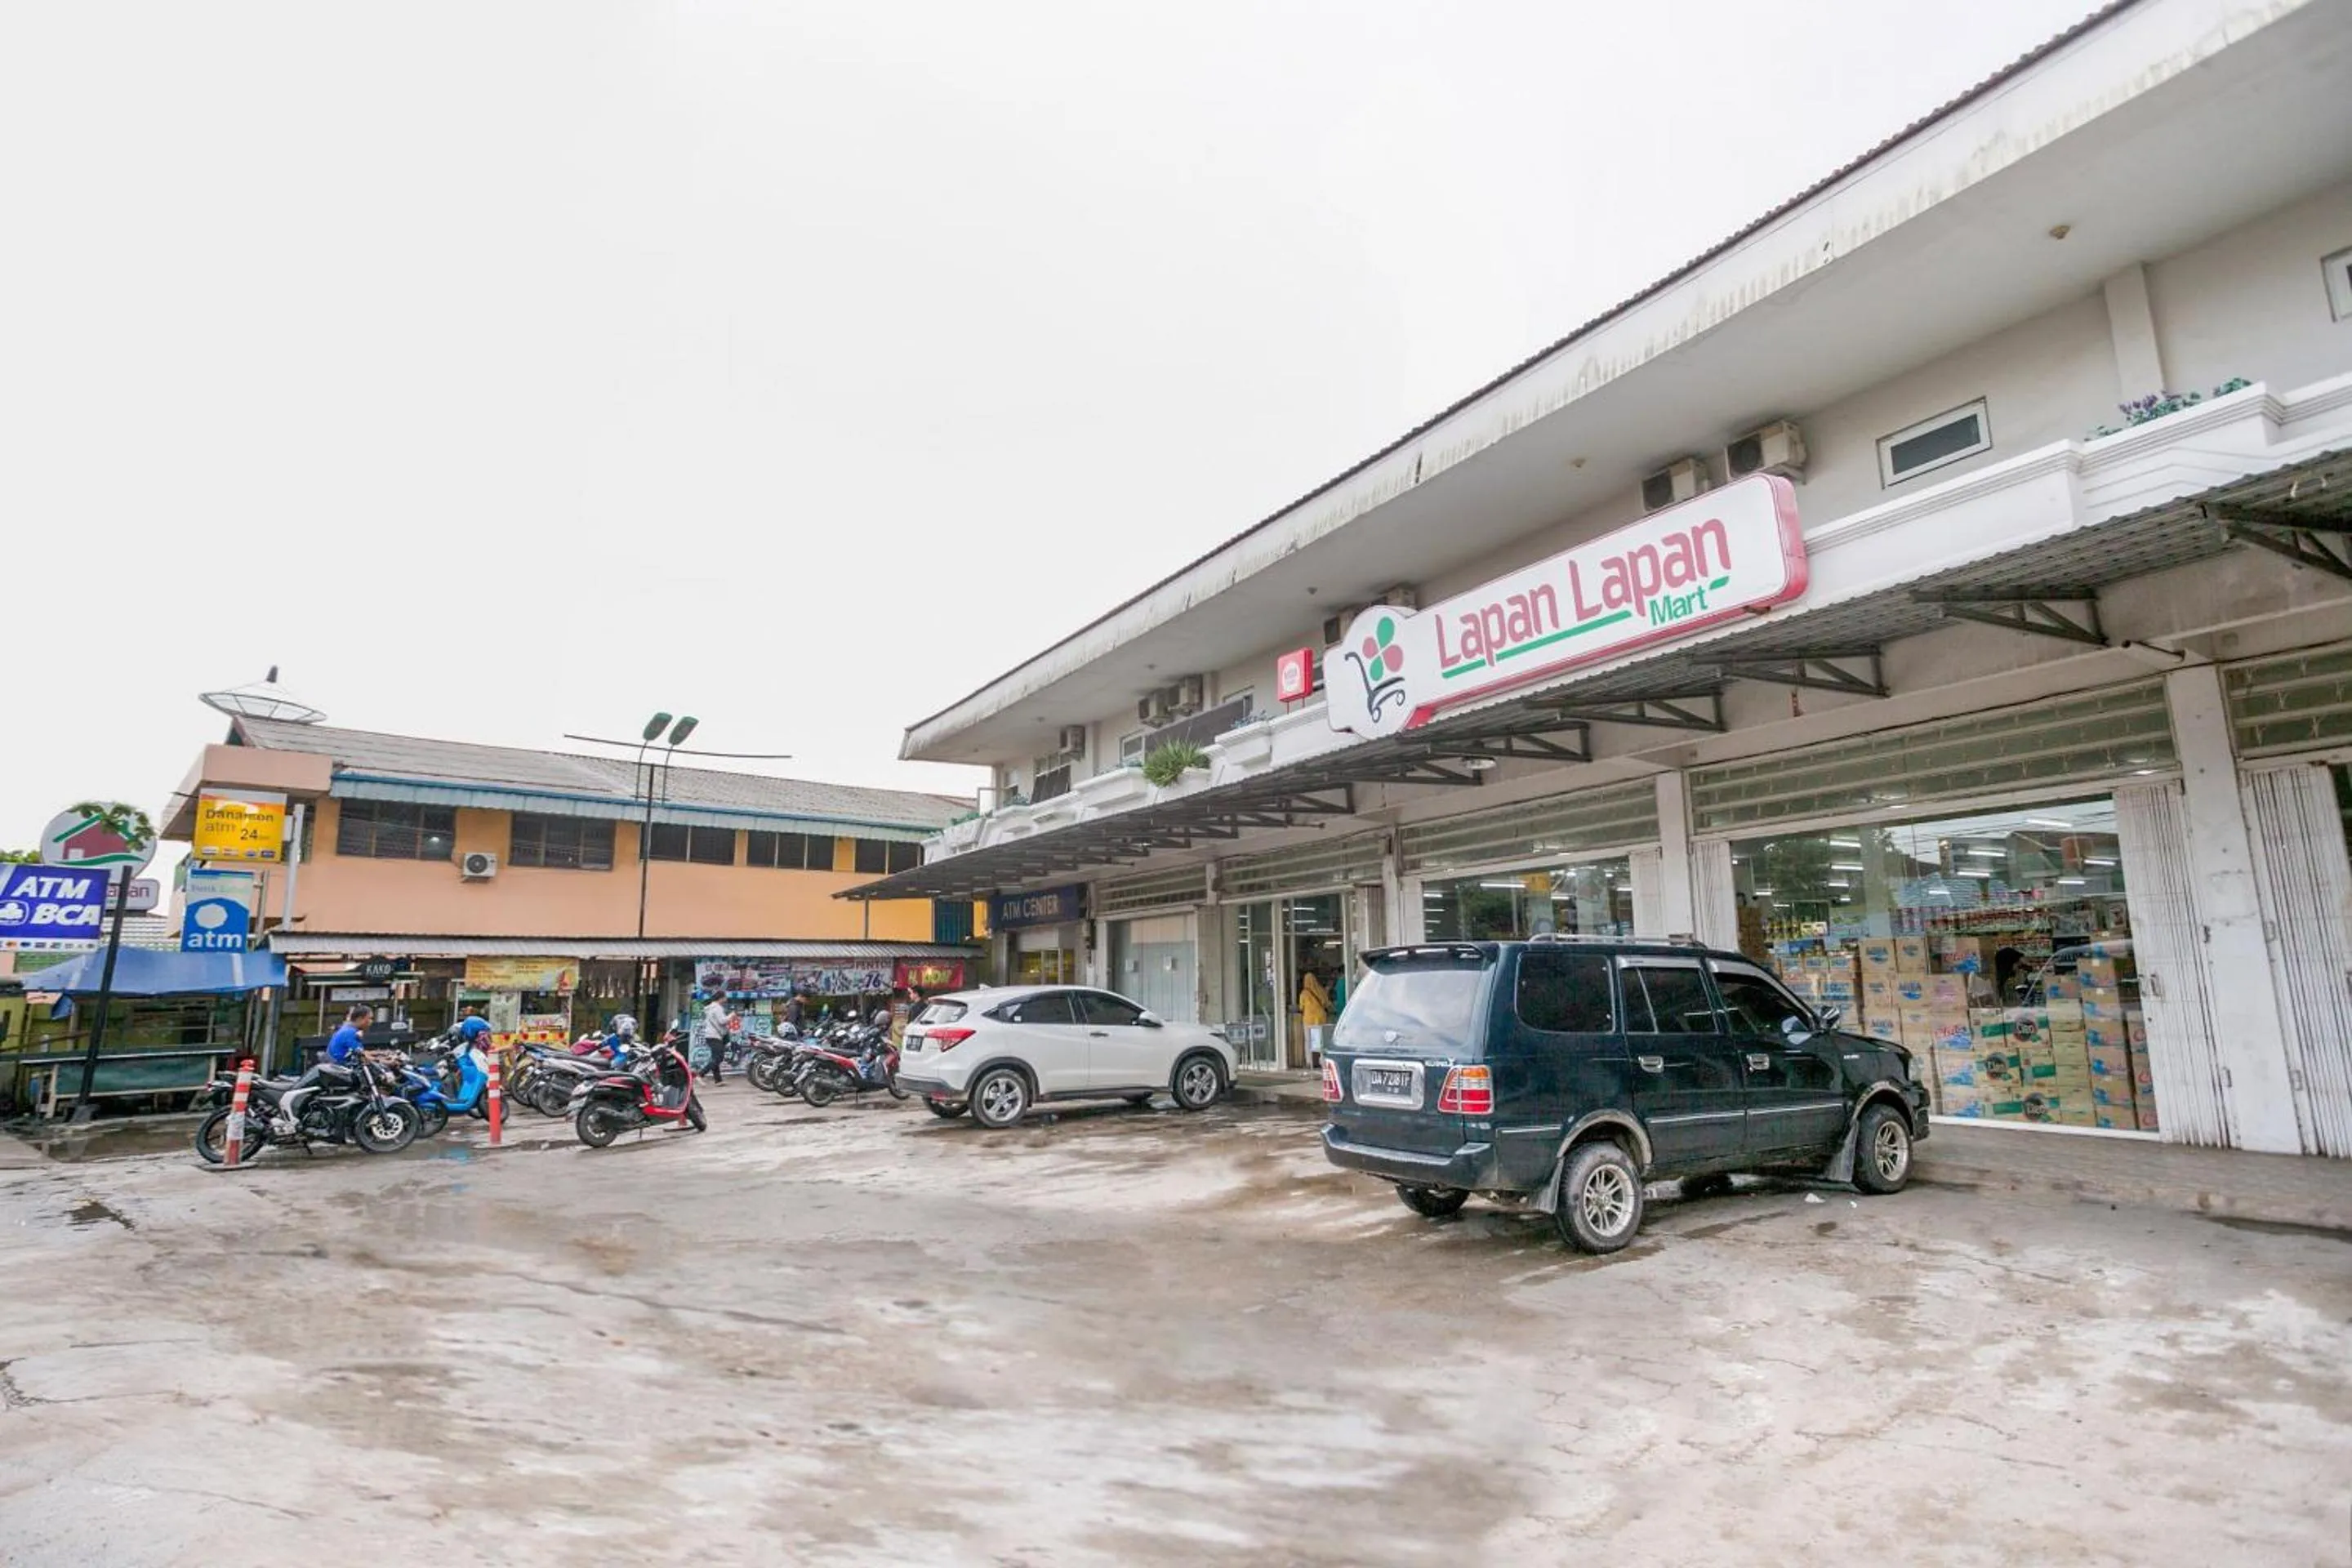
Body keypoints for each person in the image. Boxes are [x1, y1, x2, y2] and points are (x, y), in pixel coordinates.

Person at [277, 1003, 373, 1134]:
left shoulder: (347, 1030)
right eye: (370, 1018)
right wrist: (384, 1059)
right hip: (338, 1070)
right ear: (361, 1019)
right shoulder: (350, 1032)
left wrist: (381, 1055)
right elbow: (363, 1055)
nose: (371, 1022)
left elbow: (362, 1053)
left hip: (335, 1069)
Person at [1298, 969, 1334, 1067]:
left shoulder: (1304, 994)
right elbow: (1327, 1003)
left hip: (1309, 1020)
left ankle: (1309, 1062)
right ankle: (1322, 1060)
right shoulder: (1321, 990)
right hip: (1321, 1018)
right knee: (1321, 1040)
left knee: (1309, 1041)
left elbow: (1301, 1007)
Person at [699, 993, 731, 1084]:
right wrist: (731, 1016)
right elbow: (722, 1021)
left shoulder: (710, 1008)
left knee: (715, 1057)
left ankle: (718, 1080)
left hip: (710, 1035)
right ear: (721, 998)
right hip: (715, 1035)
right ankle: (701, 1074)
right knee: (719, 1057)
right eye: (725, 997)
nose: (726, 999)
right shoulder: (717, 1008)